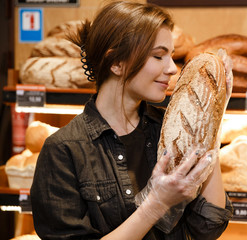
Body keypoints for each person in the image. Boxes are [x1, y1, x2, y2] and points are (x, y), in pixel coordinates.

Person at [30, 1, 233, 239]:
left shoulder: (169, 130)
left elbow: (208, 226)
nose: (171, 69)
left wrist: (212, 117)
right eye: (158, 56)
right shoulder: (64, 151)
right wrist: (156, 204)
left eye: (172, 56)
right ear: (116, 62)